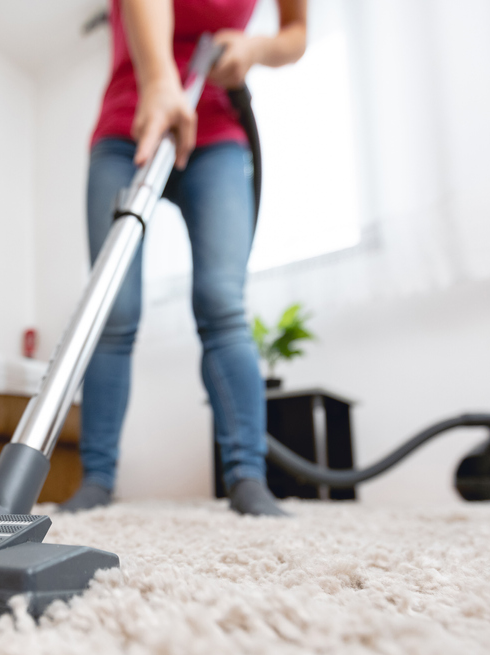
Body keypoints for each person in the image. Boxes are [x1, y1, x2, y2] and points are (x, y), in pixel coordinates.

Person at [60, 0, 308, 516]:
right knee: (113, 309)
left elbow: (295, 31)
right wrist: (158, 80)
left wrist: (255, 48)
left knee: (222, 303)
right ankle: (96, 481)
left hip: (217, 132)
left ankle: (248, 479)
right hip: (128, 124)